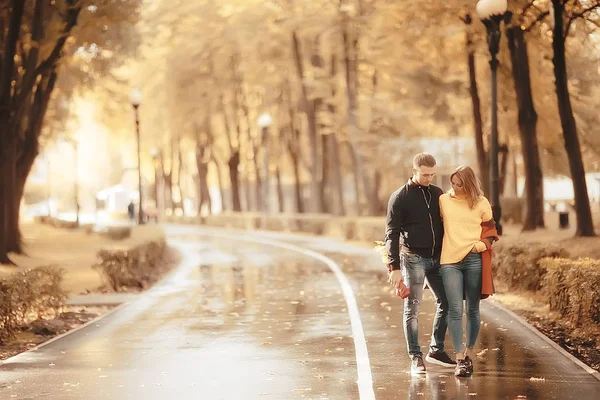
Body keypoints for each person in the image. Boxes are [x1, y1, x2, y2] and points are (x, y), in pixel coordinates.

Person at [385, 153, 455, 375]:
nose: (429, 178)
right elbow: (391, 234)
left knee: (448, 302)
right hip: (413, 259)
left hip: (437, 259)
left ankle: (435, 350)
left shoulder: (437, 193)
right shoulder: (400, 197)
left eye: (433, 174)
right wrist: (394, 268)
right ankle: (415, 358)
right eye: (425, 174)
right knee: (412, 309)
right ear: (414, 171)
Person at [439, 165, 498, 377]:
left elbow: (491, 230)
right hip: (449, 262)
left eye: (459, 184)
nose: (454, 188)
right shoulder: (444, 200)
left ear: (469, 184)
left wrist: (480, 246)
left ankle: (469, 354)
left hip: (473, 259)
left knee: (472, 309)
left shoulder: (481, 203)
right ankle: (458, 359)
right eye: (452, 183)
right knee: (454, 310)